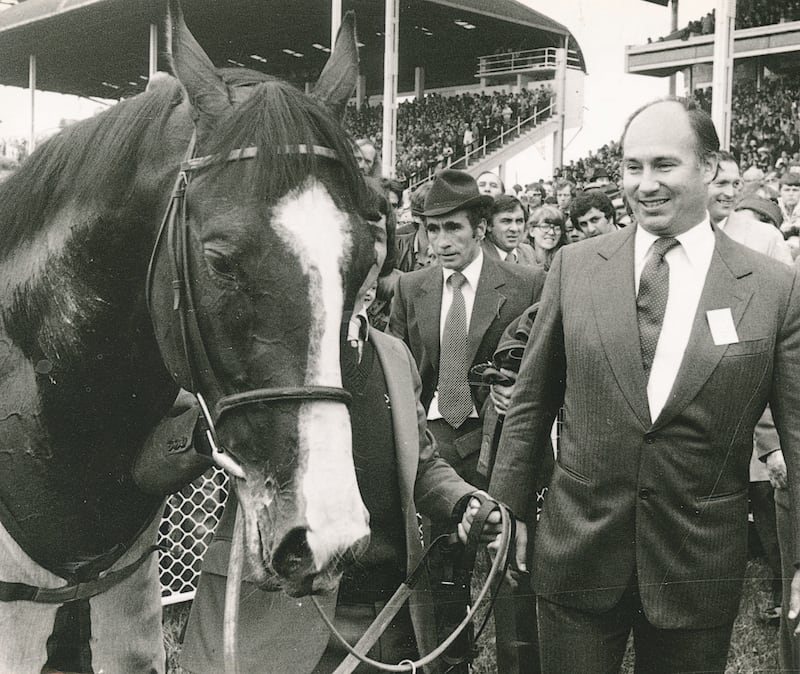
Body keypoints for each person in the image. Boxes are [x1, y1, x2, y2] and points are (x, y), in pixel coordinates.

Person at [488, 97, 800, 673]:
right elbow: (531, 402)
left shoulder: (774, 289)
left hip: (696, 563)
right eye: (633, 167)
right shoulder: (575, 267)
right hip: (578, 554)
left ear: (708, 168)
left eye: (663, 165)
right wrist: (508, 512)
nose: (644, 184)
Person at [180, 182, 502, 674]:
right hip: (282, 618)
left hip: (390, 617)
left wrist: (463, 501)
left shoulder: (393, 355)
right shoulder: (261, 346)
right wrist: (201, 439)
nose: (365, 255)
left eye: (376, 240)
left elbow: (421, 463)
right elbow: (169, 445)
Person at [388, 169, 545, 487]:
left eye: (453, 228)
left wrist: (522, 389)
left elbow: (551, 364)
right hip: (429, 444)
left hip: (496, 443)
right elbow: (395, 367)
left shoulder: (527, 285)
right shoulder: (410, 287)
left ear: (480, 229)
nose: (441, 242)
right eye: (433, 229)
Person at [482, 194, 538, 265]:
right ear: (489, 225)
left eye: (519, 221)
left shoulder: (528, 252)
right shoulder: (479, 256)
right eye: (506, 221)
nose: (514, 228)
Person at [526, 204, 568, 271]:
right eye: (545, 227)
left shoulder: (565, 259)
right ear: (531, 231)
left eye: (557, 228)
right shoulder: (521, 257)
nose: (551, 232)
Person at [707, 150, 742, 228]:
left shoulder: (761, 235)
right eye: (722, 183)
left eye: (736, 184)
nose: (730, 193)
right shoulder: (677, 231)